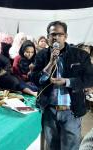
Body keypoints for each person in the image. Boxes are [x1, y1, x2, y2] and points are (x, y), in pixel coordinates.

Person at [30, 21, 93, 150]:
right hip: (49, 111)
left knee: (70, 147)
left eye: (60, 34)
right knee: (52, 146)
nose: (56, 38)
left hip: (71, 111)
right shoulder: (42, 55)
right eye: (53, 34)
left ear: (66, 36)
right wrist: (51, 63)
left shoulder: (80, 55)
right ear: (48, 37)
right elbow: (35, 79)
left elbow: (89, 79)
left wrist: (67, 81)